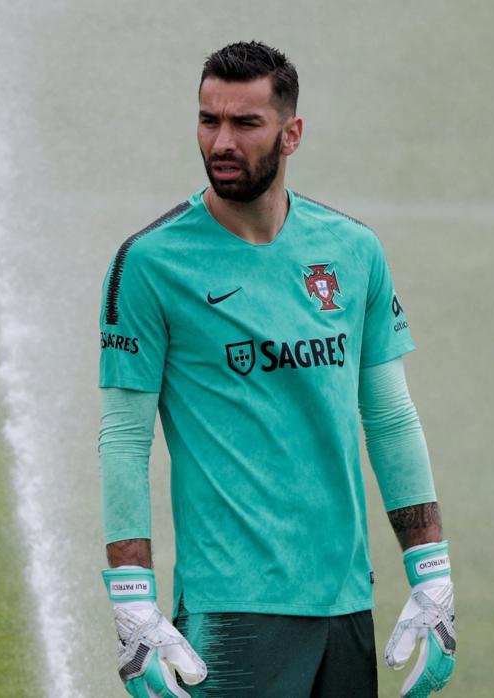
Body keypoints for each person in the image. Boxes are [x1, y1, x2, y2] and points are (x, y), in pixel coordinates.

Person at [98, 41, 456, 698]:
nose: (221, 141)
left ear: (291, 134)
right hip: (234, 608)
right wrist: (131, 598)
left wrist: (431, 574)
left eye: (245, 123)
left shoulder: (353, 251)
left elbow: (389, 416)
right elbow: (124, 435)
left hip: (346, 598)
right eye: (209, 120)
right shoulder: (150, 263)